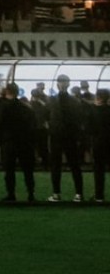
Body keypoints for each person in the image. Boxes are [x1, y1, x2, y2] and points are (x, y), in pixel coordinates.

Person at [47, 74, 87, 202]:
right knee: (70, 166)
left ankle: (59, 194)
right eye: (61, 82)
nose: (62, 84)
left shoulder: (53, 100)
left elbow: (48, 117)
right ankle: (76, 194)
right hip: (64, 136)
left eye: (64, 82)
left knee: (63, 166)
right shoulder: (73, 101)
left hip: (62, 136)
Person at [0, 82, 38, 202]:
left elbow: (0, 124)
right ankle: (30, 193)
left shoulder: (4, 107)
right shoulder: (26, 107)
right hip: (25, 142)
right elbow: (32, 125)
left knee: (9, 170)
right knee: (28, 170)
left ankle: (11, 194)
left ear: (7, 91)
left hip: (9, 141)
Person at [92, 88, 110, 203]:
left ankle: (99, 196)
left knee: (99, 170)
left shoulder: (93, 111)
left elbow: (89, 129)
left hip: (98, 143)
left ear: (98, 97)